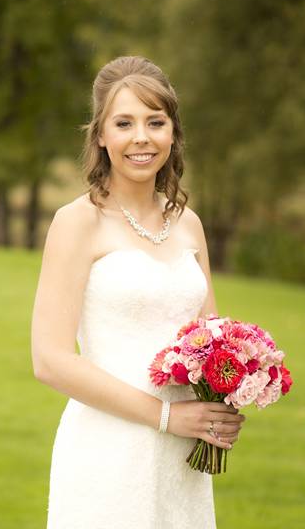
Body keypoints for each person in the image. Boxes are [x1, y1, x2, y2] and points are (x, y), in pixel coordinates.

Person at [30, 56, 246, 528]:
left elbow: (211, 343)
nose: (142, 138)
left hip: (181, 457)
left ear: (173, 132)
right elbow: (49, 359)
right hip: (108, 449)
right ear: (101, 136)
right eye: (124, 123)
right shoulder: (76, 223)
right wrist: (166, 416)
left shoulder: (189, 224)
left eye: (155, 121)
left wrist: (228, 396)